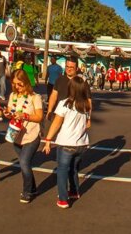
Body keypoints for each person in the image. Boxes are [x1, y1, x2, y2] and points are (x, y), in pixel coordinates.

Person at [43, 76, 92, 208]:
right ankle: (74, 191)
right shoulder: (86, 105)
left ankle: (63, 199)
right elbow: (87, 124)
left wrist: (48, 139)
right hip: (81, 143)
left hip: (66, 143)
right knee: (74, 169)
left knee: (62, 170)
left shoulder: (65, 103)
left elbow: (56, 123)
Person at [3, 69, 44, 203]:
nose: (17, 87)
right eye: (14, 84)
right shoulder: (13, 96)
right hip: (16, 135)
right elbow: (10, 110)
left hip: (32, 135)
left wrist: (25, 116)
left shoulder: (35, 97)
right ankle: (33, 188)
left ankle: (27, 191)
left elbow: (39, 117)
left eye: (20, 84)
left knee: (24, 163)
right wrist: (7, 114)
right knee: (24, 164)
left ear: (26, 82)